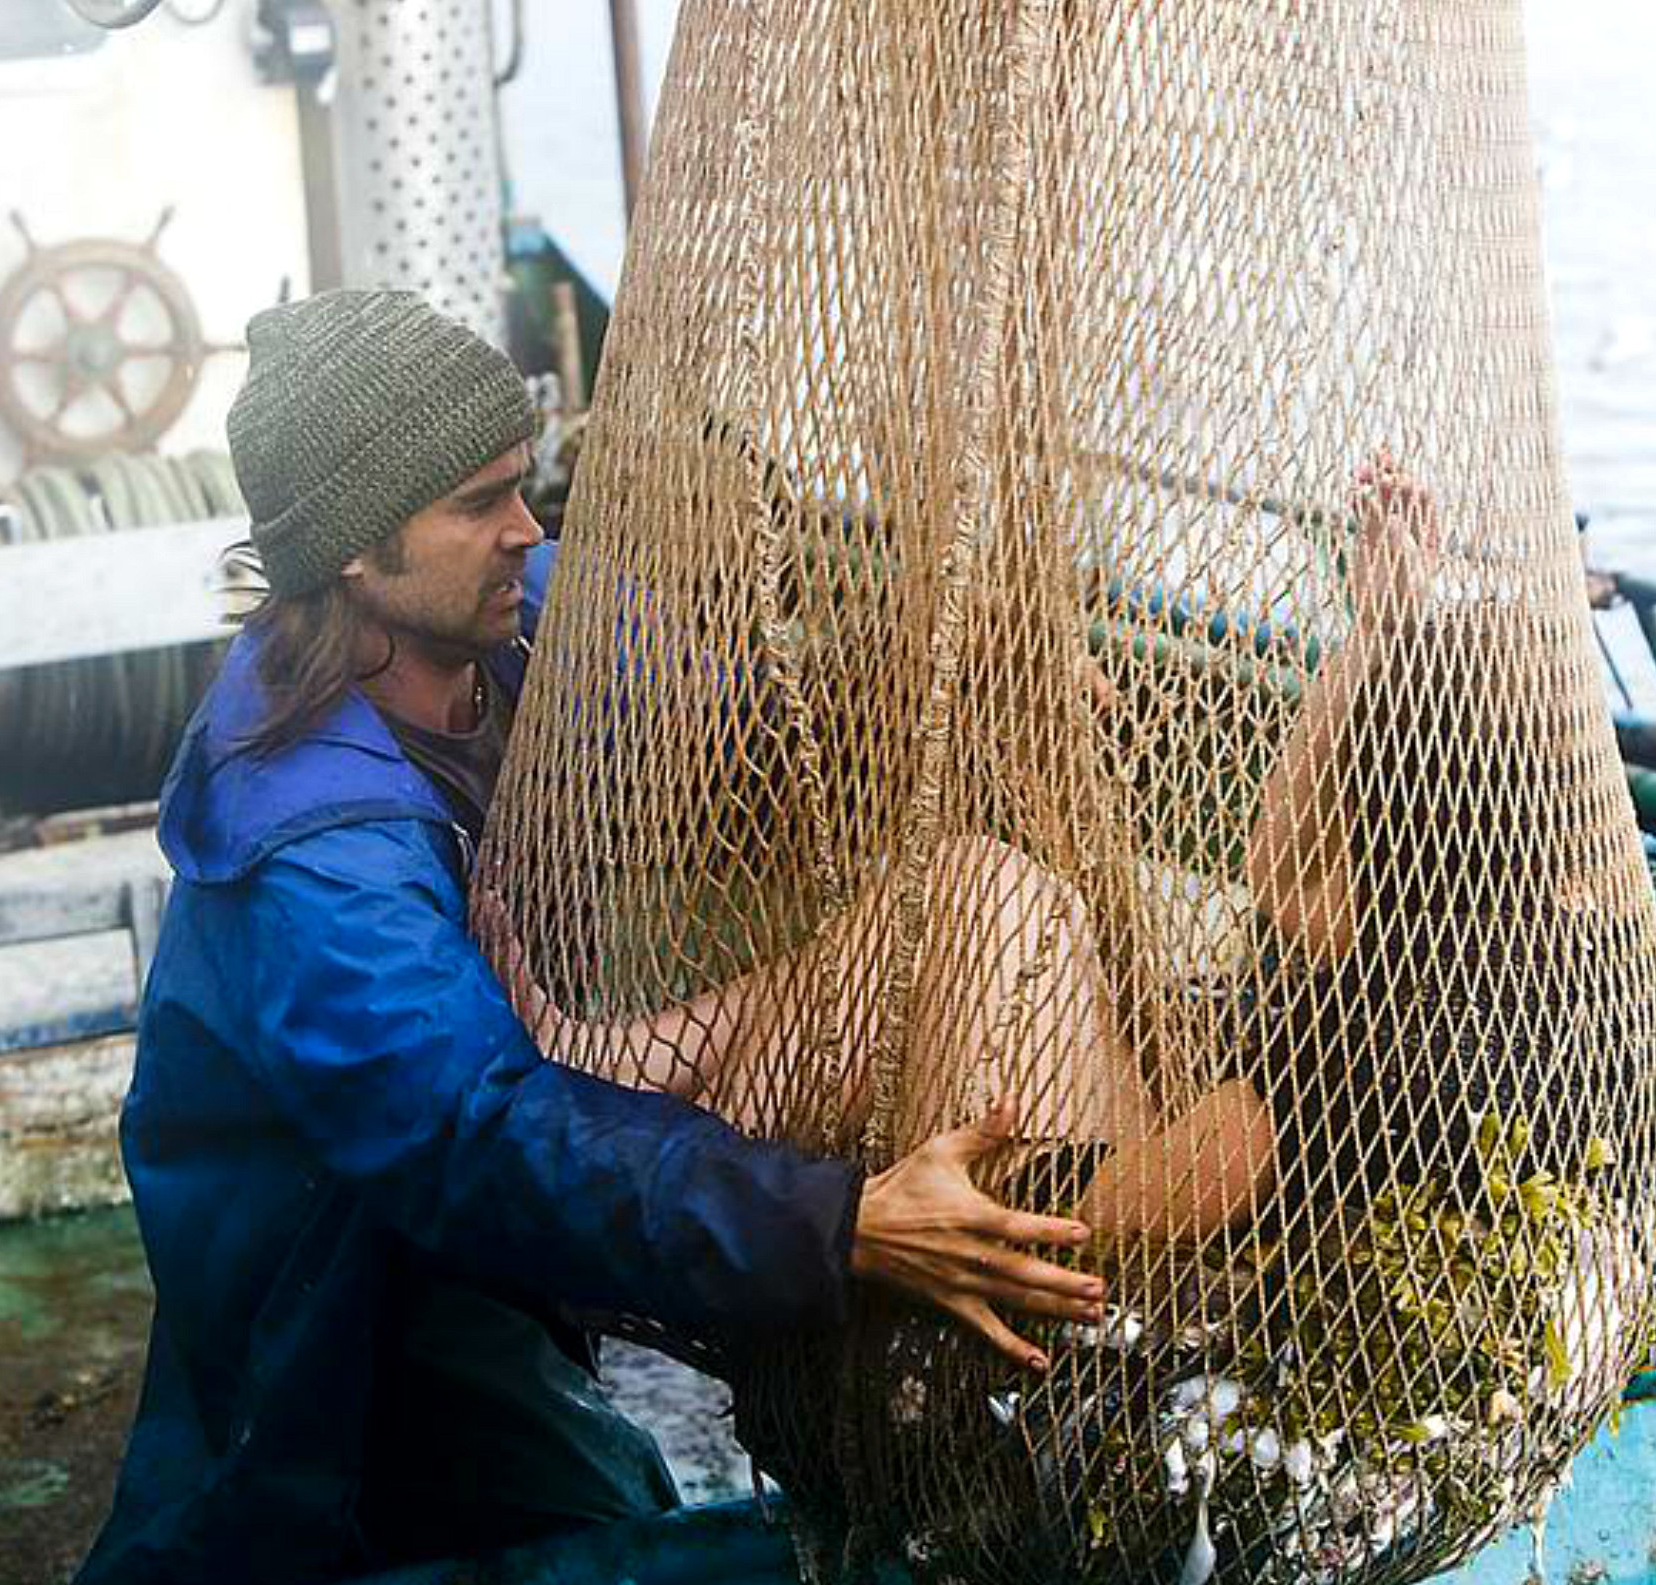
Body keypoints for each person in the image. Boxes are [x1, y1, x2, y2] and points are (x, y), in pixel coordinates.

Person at [60, 291, 1104, 1585]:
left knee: (976, 899)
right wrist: (837, 1221)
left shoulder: (515, 628)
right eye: (482, 505)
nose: (528, 529)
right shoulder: (316, 853)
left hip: (512, 1192)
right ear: (359, 555)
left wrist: (927, 674)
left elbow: (731, 711)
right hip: (352, 1304)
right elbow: (478, 1135)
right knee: (303, 1569)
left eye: (527, 486)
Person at [488, 456, 1459, 1248]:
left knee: (987, 908)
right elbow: (1308, 849)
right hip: (1168, 1200)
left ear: (1376, 870)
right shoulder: (1438, 964)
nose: (1274, 834)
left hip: (1077, 1323)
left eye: (1316, 822)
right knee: (998, 903)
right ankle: (639, 1064)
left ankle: (639, 1072)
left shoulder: (1337, 1074)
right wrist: (1383, 629)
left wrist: (878, 1205)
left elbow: (1084, 1224)